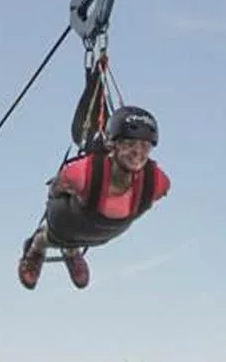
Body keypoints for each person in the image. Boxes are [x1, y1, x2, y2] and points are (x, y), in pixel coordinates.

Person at [18, 104, 170, 289]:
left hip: (103, 235)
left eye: (145, 146)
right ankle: (36, 249)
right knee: (50, 237)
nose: (138, 153)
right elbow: (56, 189)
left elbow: (160, 192)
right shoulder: (83, 173)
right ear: (112, 144)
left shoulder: (156, 182)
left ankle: (72, 251)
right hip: (68, 225)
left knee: (82, 235)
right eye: (130, 144)